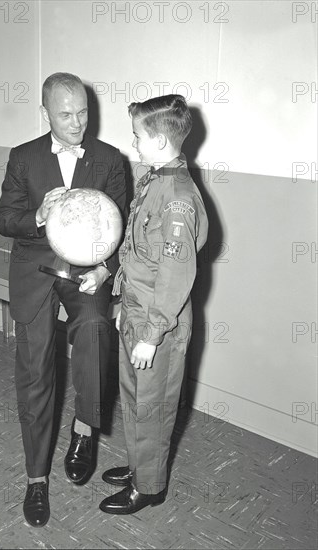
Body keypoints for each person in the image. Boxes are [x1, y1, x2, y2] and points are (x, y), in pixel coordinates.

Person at [0, 72, 126, 527]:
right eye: (65, 114)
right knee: (36, 373)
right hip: (35, 268)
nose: (76, 123)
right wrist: (37, 214)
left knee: (94, 327)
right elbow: (4, 219)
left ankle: (85, 428)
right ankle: (36, 479)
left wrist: (106, 271)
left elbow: (122, 229)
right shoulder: (24, 157)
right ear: (45, 112)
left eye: (83, 112)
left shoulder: (110, 159)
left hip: (87, 271)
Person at [99, 95, 208, 515]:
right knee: (133, 397)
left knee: (153, 404)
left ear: (160, 140)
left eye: (138, 137)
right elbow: (138, 251)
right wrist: (126, 306)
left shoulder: (177, 195)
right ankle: (139, 464)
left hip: (158, 325)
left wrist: (152, 331)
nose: (134, 145)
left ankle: (150, 486)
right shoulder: (155, 179)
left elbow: (175, 273)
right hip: (138, 311)